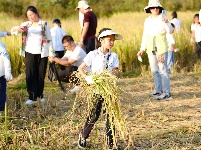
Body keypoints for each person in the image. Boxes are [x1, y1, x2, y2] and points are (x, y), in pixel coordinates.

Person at [77, 28, 122, 150]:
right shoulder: (92, 54)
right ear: (101, 40)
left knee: (110, 116)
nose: (111, 42)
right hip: (96, 90)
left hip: (109, 90)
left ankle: (111, 144)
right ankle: (83, 136)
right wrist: (88, 78)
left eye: (113, 40)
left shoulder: (114, 56)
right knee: (94, 115)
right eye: (109, 40)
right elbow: (80, 69)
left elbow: (114, 72)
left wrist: (110, 78)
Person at [12, 6, 52, 105]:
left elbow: (49, 39)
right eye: (29, 15)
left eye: (32, 14)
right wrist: (17, 28)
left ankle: (40, 95)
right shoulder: (26, 25)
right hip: (29, 51)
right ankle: (32, 97)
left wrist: (51, 54)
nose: (31, 17)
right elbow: (14, 32)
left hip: (42, 53)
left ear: (36, 13)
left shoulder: (44, 24)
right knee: (30, 74)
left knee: (40, 74)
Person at [137, 0, 173, 100]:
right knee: (154, 70)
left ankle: (167, 93)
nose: (155, 9)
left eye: (157, 7)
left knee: (163, 69)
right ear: (149, 9)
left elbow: (170, 30)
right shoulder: (147, 20)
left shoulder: (163, 17)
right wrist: (142, 49)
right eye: (153, 7)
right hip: (150, 46)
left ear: (160, 8)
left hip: (161, 46)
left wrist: (167, 22)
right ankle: (158, 91)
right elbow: (145, 35)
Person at [0, 30, 13, 112]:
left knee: (1, 93)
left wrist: (7, 72)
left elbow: (6, 58)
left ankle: (1, 110)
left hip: (1, 73)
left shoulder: (0, 46)